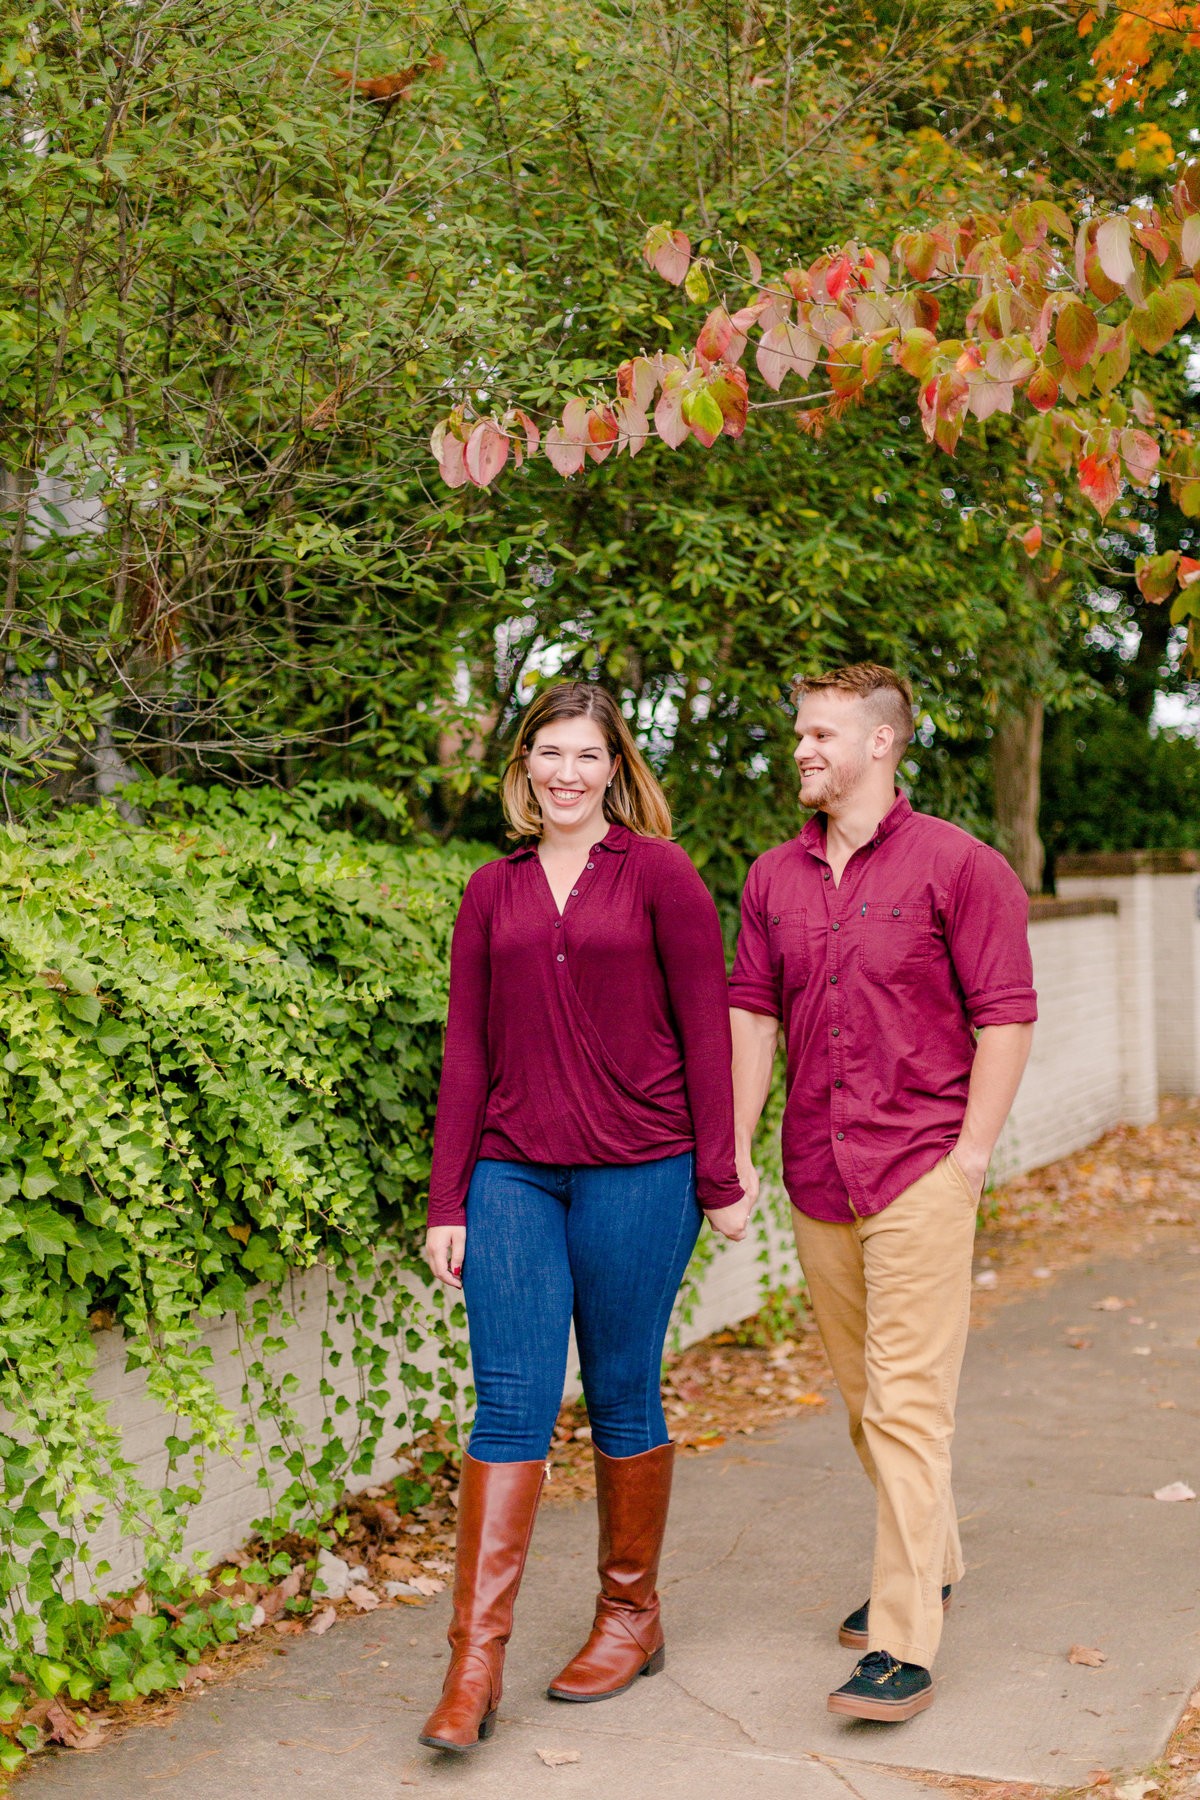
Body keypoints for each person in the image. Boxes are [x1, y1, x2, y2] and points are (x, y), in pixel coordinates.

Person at [419, 680, 750, 1754]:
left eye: (586, 756)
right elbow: (466, 1048)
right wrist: (448, 1198)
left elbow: (707, 1030)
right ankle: (474, 1669)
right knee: (509, 1405)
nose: (566, 773)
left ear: (616, 769)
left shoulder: (658, 875)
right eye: (548, 753)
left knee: (618, 1388)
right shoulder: (490, 889)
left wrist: (718, 1178)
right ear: (524, 765)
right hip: (514, 1171)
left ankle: (630, 1614)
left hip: (640, 1170)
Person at [729, 663, 1036, 1723]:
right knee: (869, 1407)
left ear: (881, 745)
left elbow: (1006, 1017)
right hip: (817, 1175)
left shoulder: (962, 867)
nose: (804, 749)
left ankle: (903, 1646)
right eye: (800, 733)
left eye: (821, 734)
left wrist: (971, 1159)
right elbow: (753, 1019)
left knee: (910, 1407)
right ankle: (934, 1556)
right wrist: (731, 1151)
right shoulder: (771, 879)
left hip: (919, 1171)